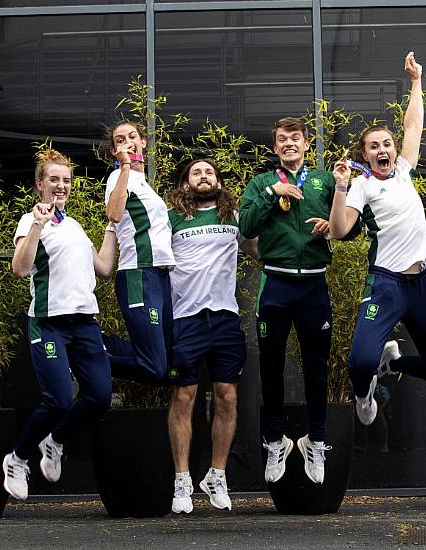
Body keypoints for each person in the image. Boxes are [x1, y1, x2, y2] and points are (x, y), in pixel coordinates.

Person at [329, 52, 426, 427]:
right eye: (374, 146)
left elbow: (413, 125)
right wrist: (339, 187)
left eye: (387, 143)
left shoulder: (403, 171)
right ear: (364, 156)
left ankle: (394, 362)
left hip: (422, 284)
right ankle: (364, 391)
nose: (383, 149)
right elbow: (338, 231)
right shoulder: (362, 187)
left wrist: (416, 81)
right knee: (360, 363)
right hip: (386, 283)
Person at [239, 116, 359, 485]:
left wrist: (332, 221)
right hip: (275, 285)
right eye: (281, 139)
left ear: (307, 145)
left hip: (313, 287)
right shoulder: (262, 182)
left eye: (296, 138)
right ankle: (275, 441)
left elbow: (351, 230)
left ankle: (316, 439)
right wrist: (275, 194)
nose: (289, 143)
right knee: (271, 368)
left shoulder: (324, 180)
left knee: (317, 367)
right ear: (275, 148)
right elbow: (246, 227)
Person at [3, 149, 117, 501]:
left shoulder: (75, 226)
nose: (61, 185)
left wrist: (113, 226)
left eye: (66, 180)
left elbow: (103, 267)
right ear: (40, 184)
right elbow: (20, 269)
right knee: (57, 401)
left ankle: (55, 440)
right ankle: (17, 459)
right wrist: (37, 224)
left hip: (85, 322)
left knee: (98, 397)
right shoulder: (29, 221)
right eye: (53, 179)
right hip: (49, 324)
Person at [166, 158, 257, 514]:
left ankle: (217, 475)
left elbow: (259, 250)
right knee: (184, 396)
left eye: (210, 172)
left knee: (228, 398)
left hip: (224, 319)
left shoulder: (233, 216)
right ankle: (181, 480)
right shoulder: (171, 217)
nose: (204, 177)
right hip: (185, 319)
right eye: (196, 172)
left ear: (218, 181)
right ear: (186, 184)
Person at [103, 121, 175, 383]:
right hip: (138, 274)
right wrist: (123, 167)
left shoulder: (145, 184)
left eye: (132, 136)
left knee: (164, 363)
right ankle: (86, 353)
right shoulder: (119, 177)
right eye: (120, 140)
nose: (128, 142)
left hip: (160, 277)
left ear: (144, 142)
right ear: (114, 151)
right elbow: (113, 214)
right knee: (153, 368)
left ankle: (92, 346)